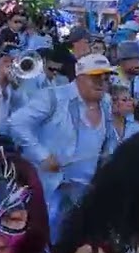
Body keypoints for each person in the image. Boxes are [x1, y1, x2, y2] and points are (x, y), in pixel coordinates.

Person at [7, 53, 119, 242]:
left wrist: (109, 157)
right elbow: (17, 123)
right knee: (46, 243)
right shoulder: (53, 97)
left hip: (87, 192)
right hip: (52, 189)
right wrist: (42, 155)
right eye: (96, 78)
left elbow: (109, 138)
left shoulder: (106, 103)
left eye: (106, 78)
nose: (101, 83)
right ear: (80, 78)